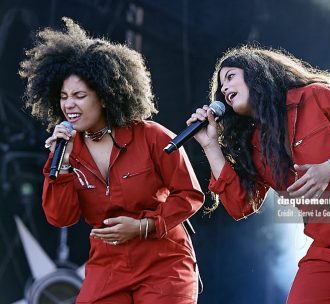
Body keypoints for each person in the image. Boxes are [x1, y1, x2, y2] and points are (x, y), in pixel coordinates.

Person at [187, 45, 330, 303]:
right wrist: (210, 145)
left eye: (230, 77)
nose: (224, 89)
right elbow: (241, 205)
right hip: (326, 247)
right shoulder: (254, 143)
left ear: (256, 74)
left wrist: (329, 168)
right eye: (221, 86)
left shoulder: (316, 96)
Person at [20, 18, 204, 304]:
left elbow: (190, 195)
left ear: (104, 97)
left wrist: (144, 226)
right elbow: (60, 217)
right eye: (64, 97)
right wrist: (64, 164)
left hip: (163, 262)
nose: (69, 105)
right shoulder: (66, 151)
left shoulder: (151, 136)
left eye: (79, 96)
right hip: (108, 264)